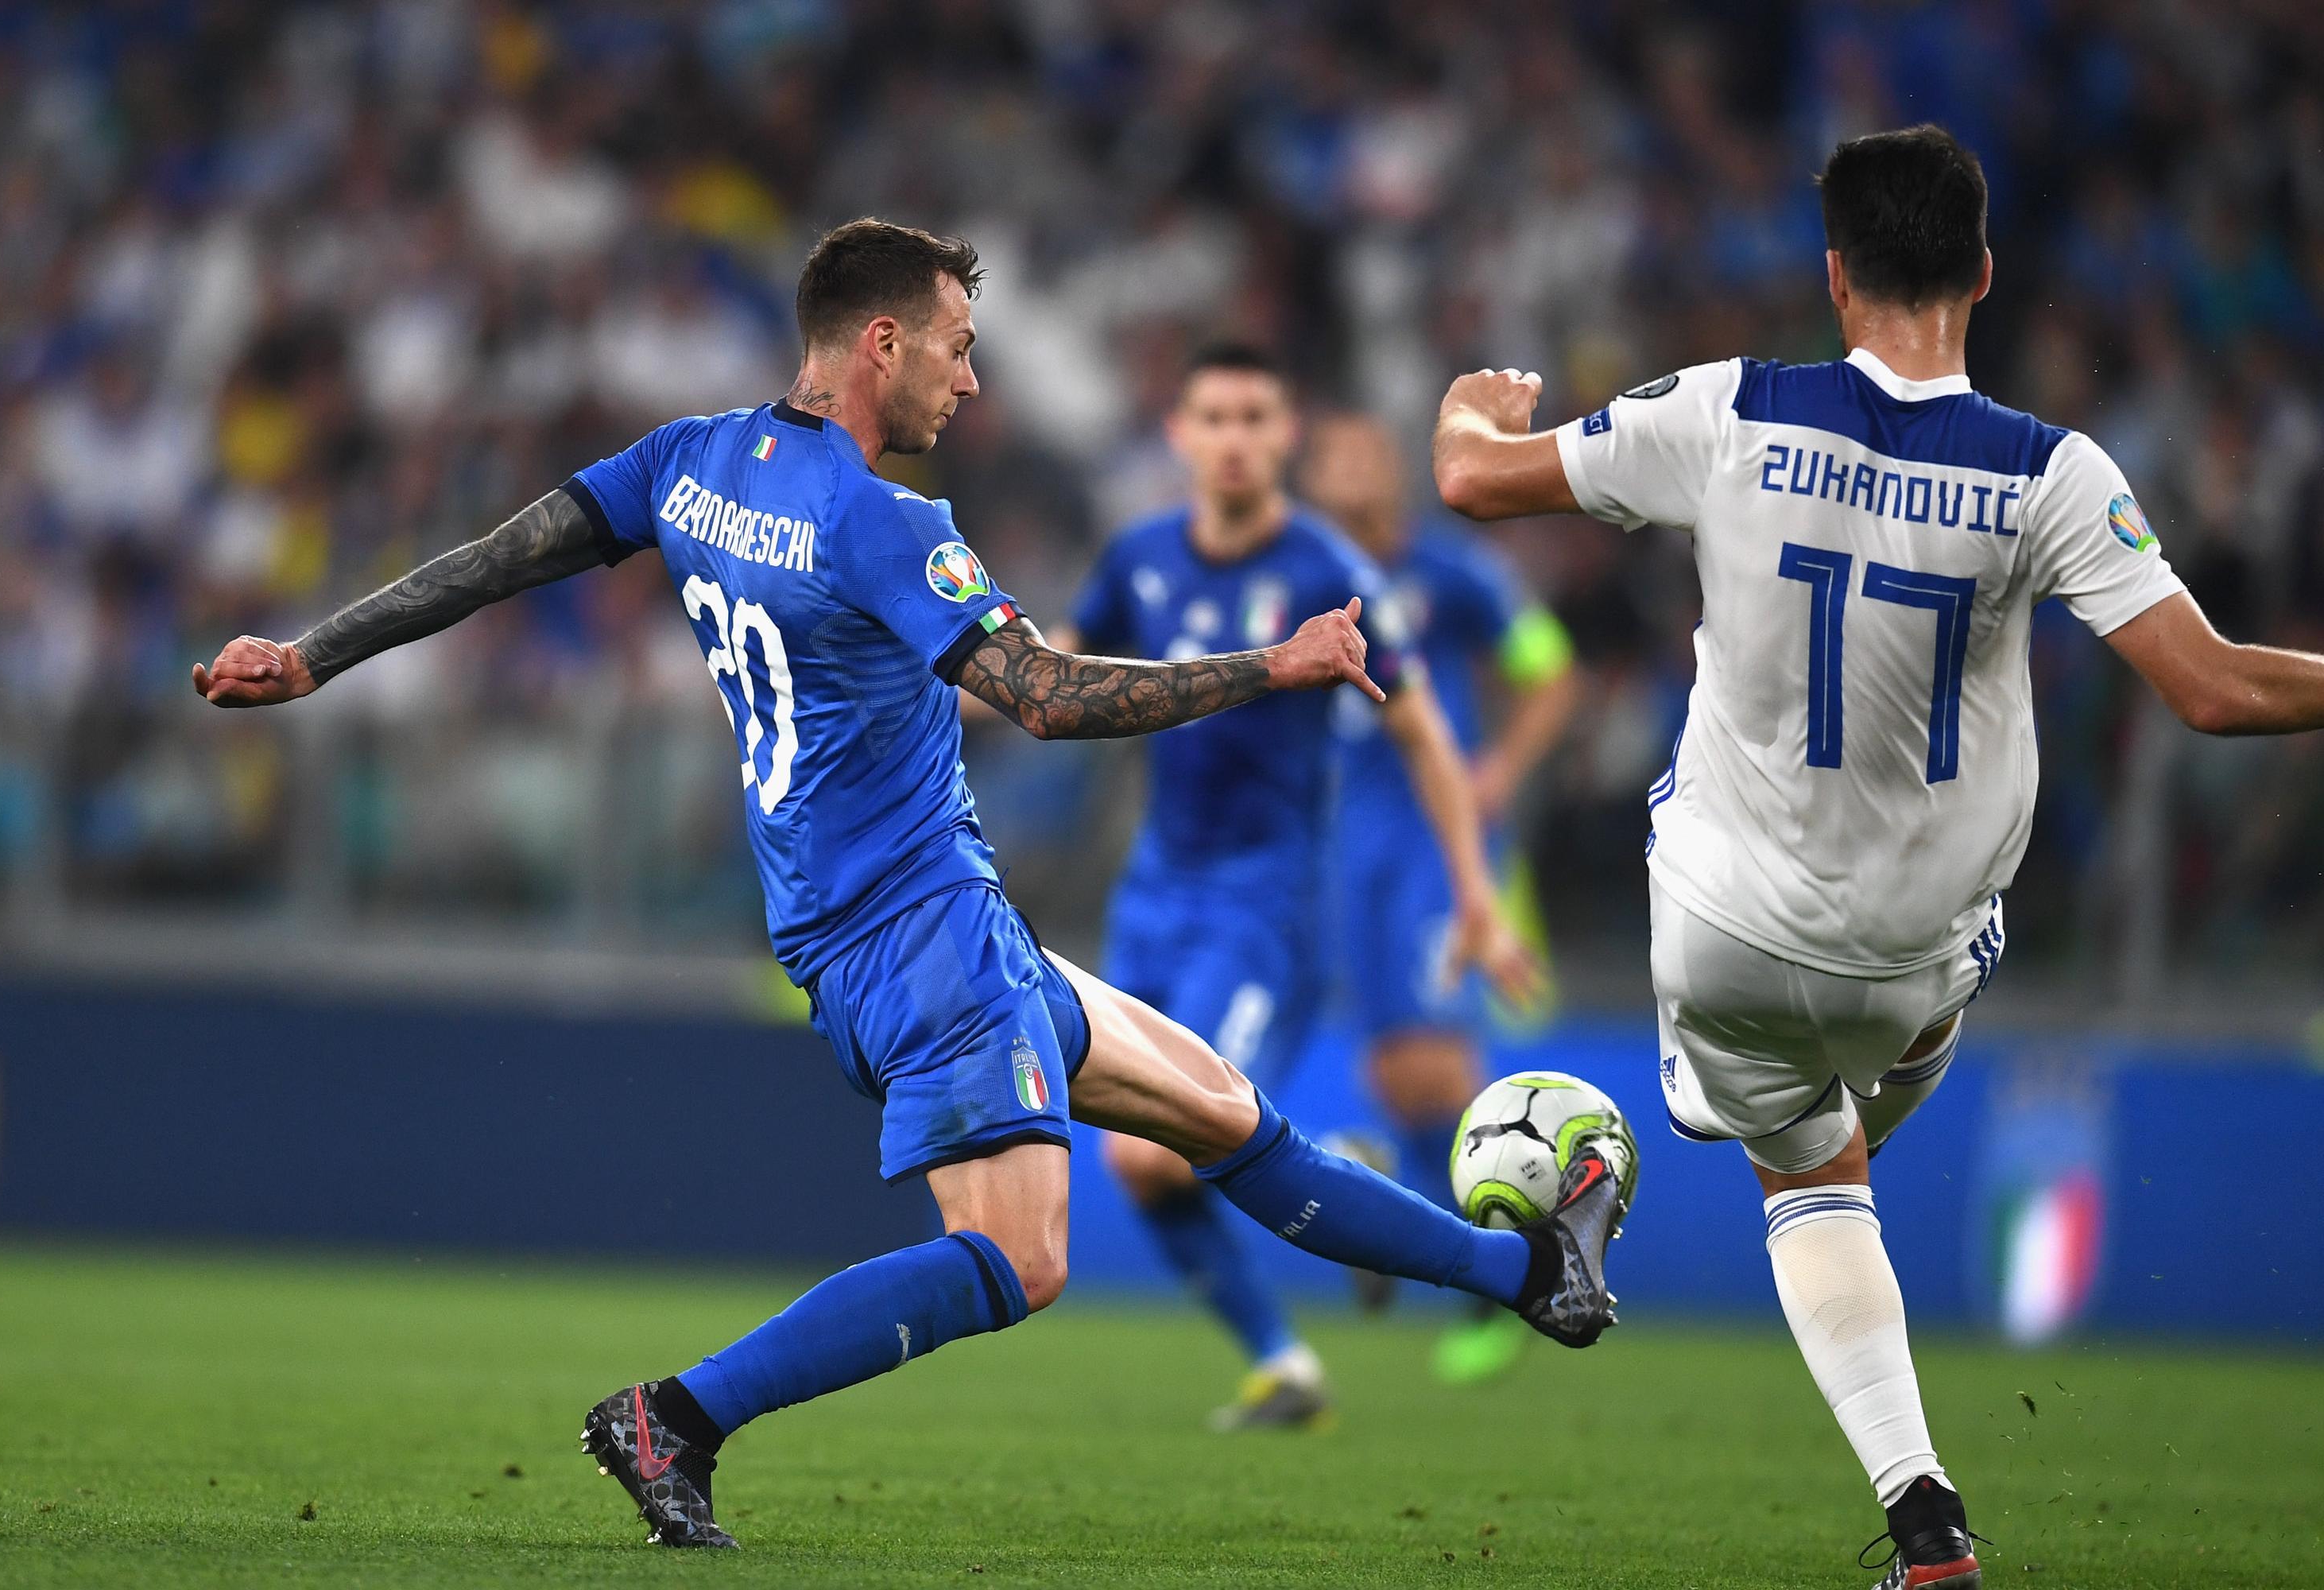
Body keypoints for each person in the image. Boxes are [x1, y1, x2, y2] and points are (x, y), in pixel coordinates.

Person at [192, 219, 1626, 1553]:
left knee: (1224, 1114)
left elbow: (499, 561)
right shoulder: (888, 521)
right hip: (925, 935)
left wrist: (315, 653)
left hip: (887, 924)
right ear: (880, 344)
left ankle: (1535, 1283)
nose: (972, 374)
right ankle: (673, 1417)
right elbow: (1050, 697)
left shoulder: (688, 462)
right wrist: (1279, 663)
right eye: (955, 343)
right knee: (1019, 1261)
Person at [1431, 125, 2324, 1590]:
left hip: (1719, 930)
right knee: (1844, 1120)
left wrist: (1470, 411)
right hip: (1920, 962)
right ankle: (1824, 1189)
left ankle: (1633, 1176)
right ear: (1983, 272)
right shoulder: (2051, 472)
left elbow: (1474, 483)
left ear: (1834, 276)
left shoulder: (1728, 410)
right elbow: (2215, 688)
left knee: (1780, 1136)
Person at [1050, 350, 1540, 1430]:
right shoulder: (1138, 557)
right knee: (1141, 1168)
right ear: (1178, 433)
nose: (1232, 436)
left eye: (1254, 417)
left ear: (1285, 437)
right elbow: (1048, 674)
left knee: (1163, 1144)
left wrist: (1474, 891)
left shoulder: (1327, 569)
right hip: (1153, 897)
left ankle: (1359, 1171)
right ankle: (1283, 1362)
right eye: (1212, 414)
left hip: (1264, 905)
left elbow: (1424, 734)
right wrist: (920, 679)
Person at [1299, 410, 1581, 1386]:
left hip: (1433, 842)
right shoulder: (1299, 576)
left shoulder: (1448, 572)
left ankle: (1526, 1243)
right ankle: (1469, 1247)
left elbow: (1548, 671)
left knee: (1432, 1066)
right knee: (1392, 1073)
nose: (1355, 469)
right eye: (1338, 454)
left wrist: (1498, 765)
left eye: (1369, 452)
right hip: (1349, 849)